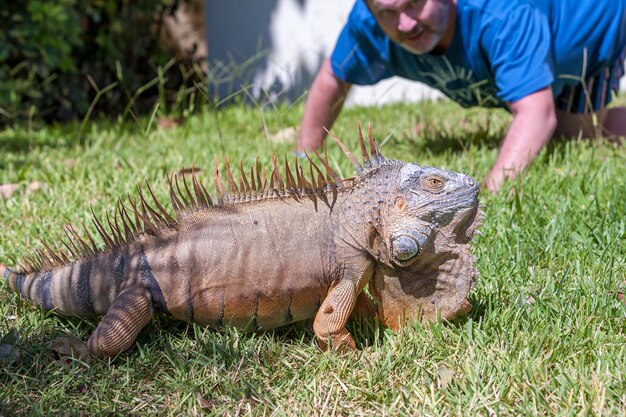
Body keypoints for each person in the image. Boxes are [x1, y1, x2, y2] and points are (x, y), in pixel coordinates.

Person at [296, 0, 626, 193]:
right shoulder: (369, 25)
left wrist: (489, 195)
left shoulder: (499, 13)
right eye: (388, 12)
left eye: (415, 2)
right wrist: (305, 161)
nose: (406, 23)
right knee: (575, 133)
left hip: (595, 29)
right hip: (541, 46)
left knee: (578, 134)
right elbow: (332, 79)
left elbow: (536, 113)